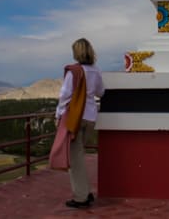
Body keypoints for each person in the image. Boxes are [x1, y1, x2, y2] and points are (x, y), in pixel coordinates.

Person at [54, 38, 105, 208]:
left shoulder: (73, 71)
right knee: (79, 157)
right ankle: (86, 192)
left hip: (75, 118)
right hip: (90, 117)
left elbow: (65, 95)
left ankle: (81, 198)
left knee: (75, 160)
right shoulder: (95, 71)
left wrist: (59, 114)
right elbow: (101, 92)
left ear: (76, 52)